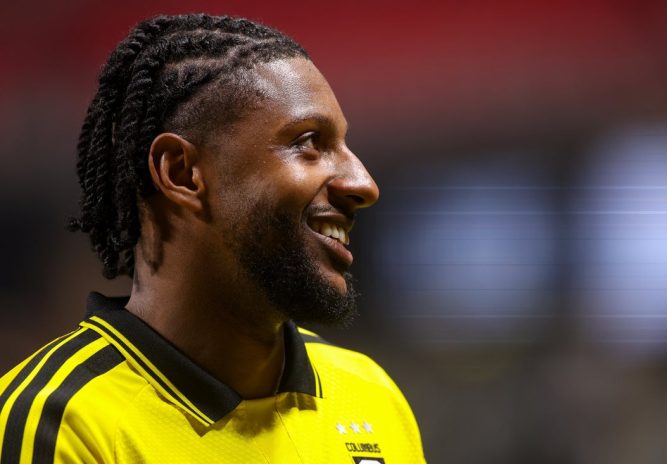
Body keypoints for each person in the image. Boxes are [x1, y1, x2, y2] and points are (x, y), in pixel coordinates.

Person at [0, 13, 425, 464]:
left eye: (344, 145)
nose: (363, 184)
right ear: (181, 172)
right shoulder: (63, 423)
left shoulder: (371, 395)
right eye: (308, 142)